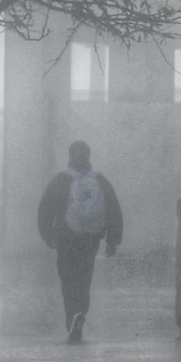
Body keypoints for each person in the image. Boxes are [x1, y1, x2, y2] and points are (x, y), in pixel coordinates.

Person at [37, 140, 123, 343]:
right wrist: (113, 239)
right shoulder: (100, 180)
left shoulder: (61, 180)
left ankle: (72, 318)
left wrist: (47, 234)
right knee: (85, 278)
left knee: (68, 279)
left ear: (70, 156)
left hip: (66, 238)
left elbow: (45, 208)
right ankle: (81, 312)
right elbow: (113, 208)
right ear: (88, 156)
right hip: (90, 239)